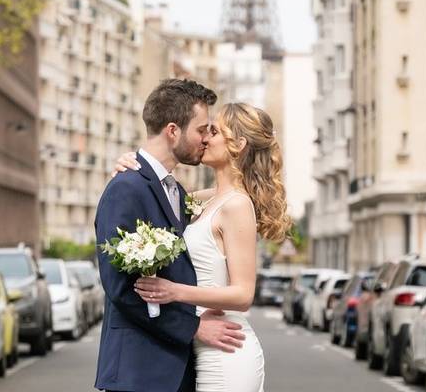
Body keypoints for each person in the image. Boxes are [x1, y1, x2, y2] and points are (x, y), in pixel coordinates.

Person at [113, 102, 292, 392]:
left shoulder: (237, 205)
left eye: (215, 131)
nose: (205, 138)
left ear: (238, 144)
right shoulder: (204, 200)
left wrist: (175, 292)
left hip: (227, 349)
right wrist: (130, 165)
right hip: (201, 348)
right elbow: (155, 194)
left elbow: (243, 294)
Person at [94, 79, 247, 392]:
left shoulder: (176, 191)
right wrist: (193, 329)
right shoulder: (126, 189)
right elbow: (122, 290)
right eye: (202, 129)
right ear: (173, 131)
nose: (206, 139)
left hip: (180, 371)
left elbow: (231, 198)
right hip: (140, 374)